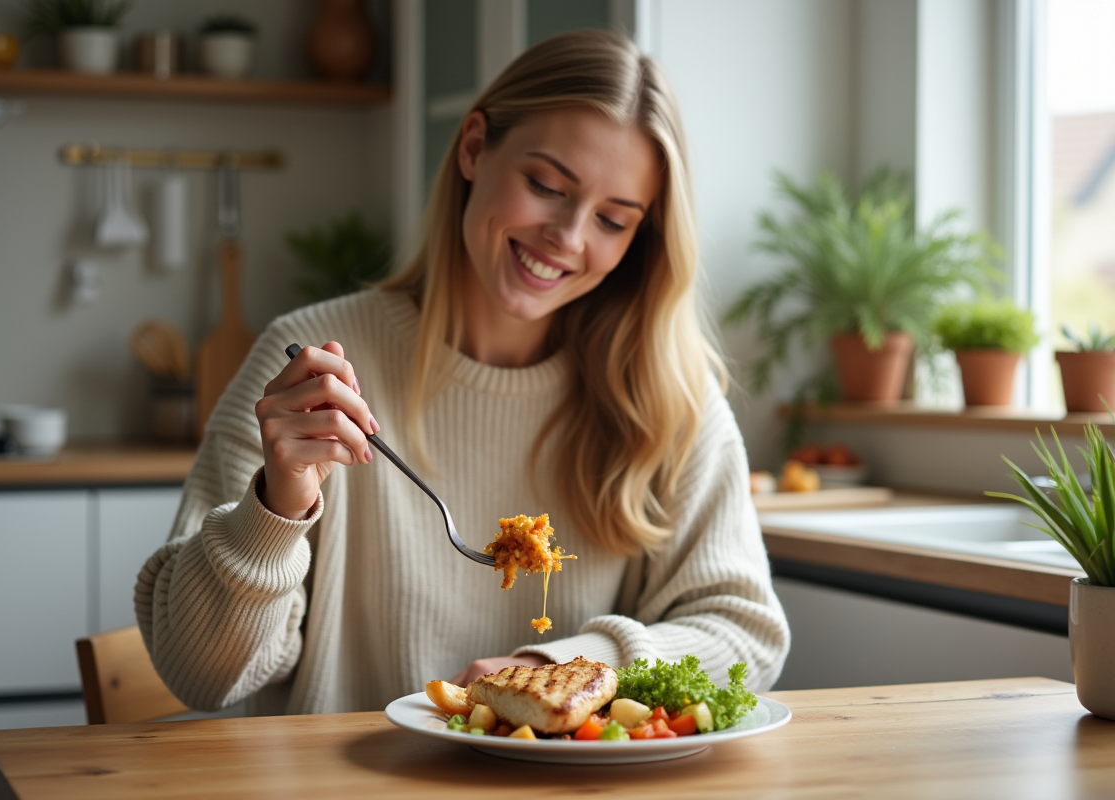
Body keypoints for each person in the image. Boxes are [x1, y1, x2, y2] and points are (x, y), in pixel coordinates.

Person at [136, 29, 790, 716]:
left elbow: (745, 635)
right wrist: (278, 503)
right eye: (546, 185)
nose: (567, 238)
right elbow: (198, 674)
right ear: (475, 147)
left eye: (613, 220)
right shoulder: (309, 366)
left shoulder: (668, 398)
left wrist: (568, 668)